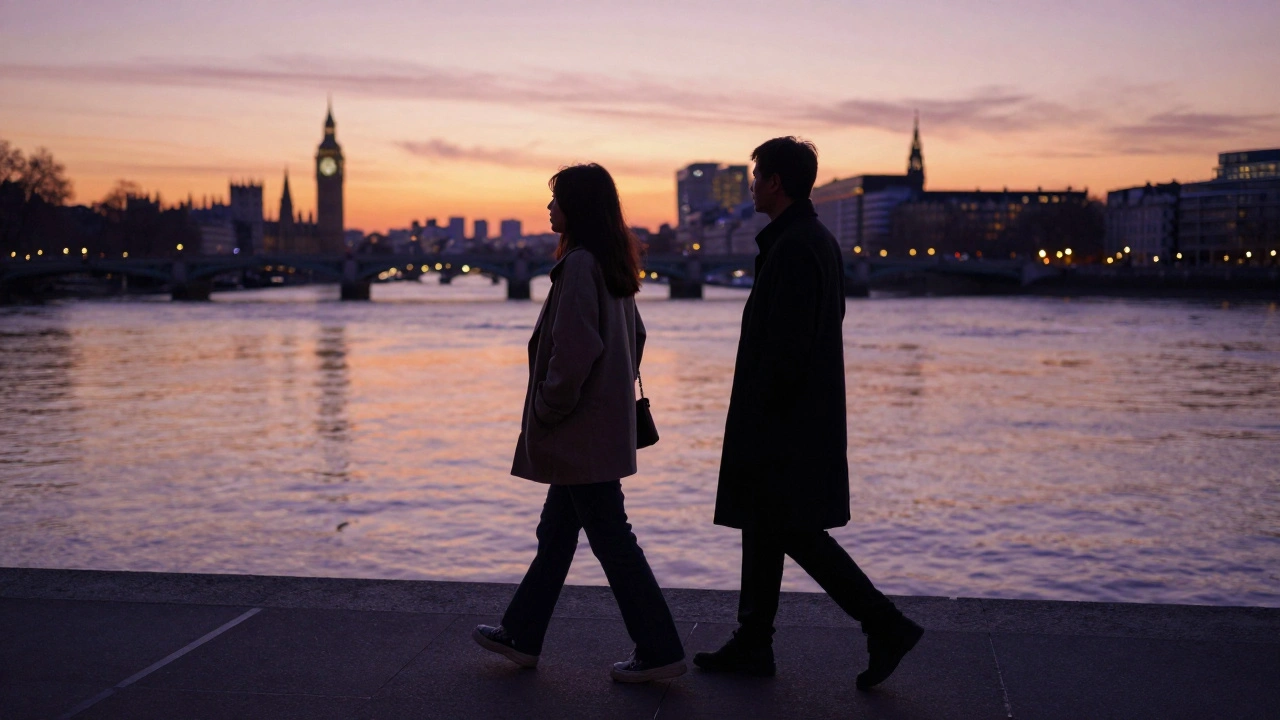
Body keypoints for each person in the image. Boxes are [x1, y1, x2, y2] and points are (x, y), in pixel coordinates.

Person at [692, 138, 923, 690]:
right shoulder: (808, 240)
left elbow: (787, 349)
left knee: (794, 530)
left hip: (783, 422)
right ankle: (754, 641)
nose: (750, 185)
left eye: (756, 176)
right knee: (768, 525)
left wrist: (761, 415)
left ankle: (883, 623)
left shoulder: (795, 246)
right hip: (796, 417)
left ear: (775, 182)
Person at [473, 163, 686, 683]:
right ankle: (523, 634)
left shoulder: (577, 267)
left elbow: (572, 354)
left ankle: (659, 650)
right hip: (598, 428)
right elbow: (635, 336)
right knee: (557, 533)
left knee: (613, 540)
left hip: (577, 433)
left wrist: (547, 408)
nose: (548, 208)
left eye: (555, 200)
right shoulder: (613, 264)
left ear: (577, 208)